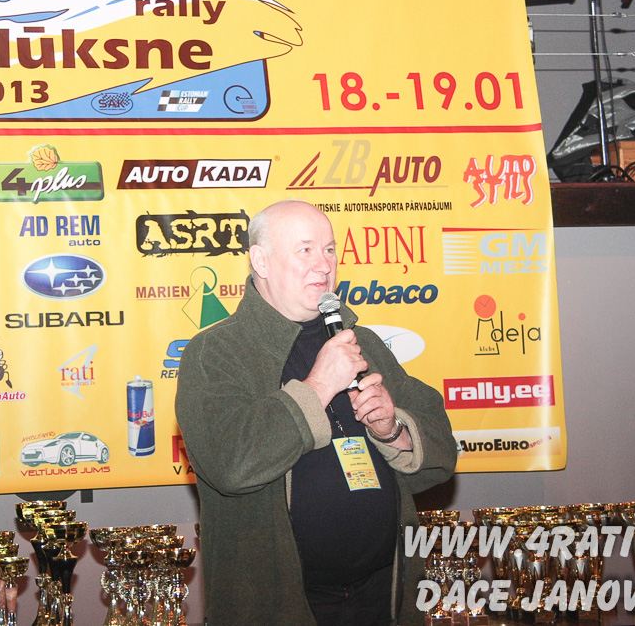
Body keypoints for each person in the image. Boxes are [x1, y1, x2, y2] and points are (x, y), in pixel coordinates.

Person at [175, 199, 457, 626]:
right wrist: (318, 386)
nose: (323, 265)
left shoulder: (363, 341)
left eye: (329, 250)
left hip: (384, 593)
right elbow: (231, 464)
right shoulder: (215, 352)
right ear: (261, 261)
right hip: (281, 605)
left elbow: (443, 454)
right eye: (305, 249)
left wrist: (393, 429)